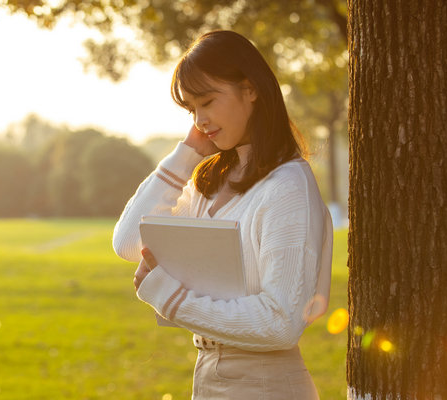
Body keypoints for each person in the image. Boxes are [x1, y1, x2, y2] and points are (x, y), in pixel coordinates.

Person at [112, 30, 333, 399]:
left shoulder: (288, 187)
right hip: (210, 375)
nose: (200, 119)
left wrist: (172, 300)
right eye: (191, 109)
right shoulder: (211, 183)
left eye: (208, 101)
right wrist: (186, 153)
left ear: (251, 89)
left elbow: (281, 323)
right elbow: (129, 242)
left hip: (267, 385)